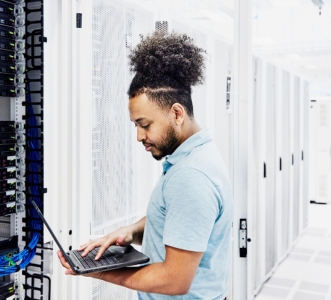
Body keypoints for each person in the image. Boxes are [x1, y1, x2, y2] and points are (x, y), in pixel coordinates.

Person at [58, 31, 232, 300]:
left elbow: (174, 281)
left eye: (144, 124)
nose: (139, 136)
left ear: (176, 113)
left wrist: (97, 272)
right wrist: (129, 232)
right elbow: (179, 221)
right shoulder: (196, 155)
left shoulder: (191, 177)